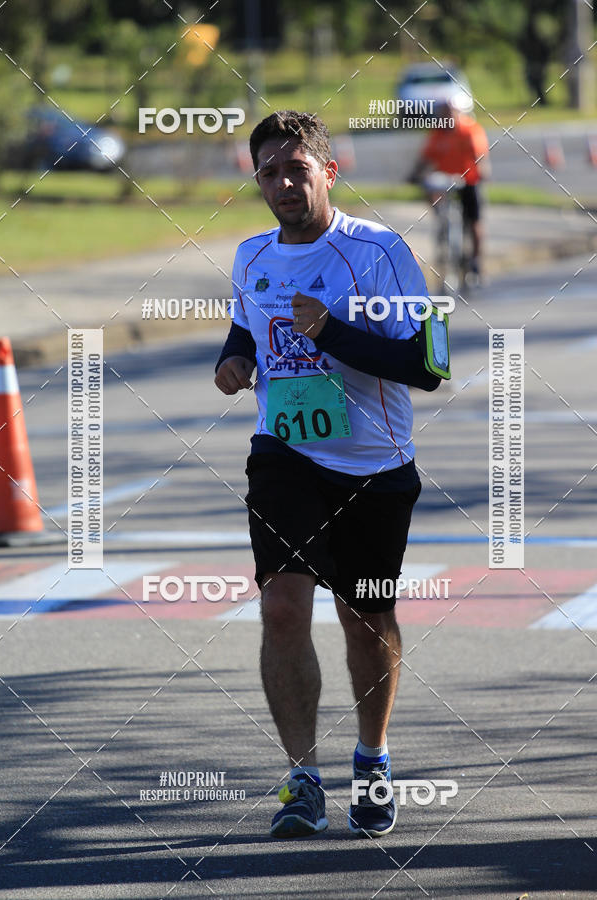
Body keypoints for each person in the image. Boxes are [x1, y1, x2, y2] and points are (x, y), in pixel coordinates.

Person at [214, 110, 442, 839]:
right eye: (270, 172)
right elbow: (248, 324)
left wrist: (332, 332)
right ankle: (302, 779)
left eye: (298, 169)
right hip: (284, 454)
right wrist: (233, 358)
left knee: (364, 617)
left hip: (373, 465)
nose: (284, 183)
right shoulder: (250, 255)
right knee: (282, 606)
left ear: (329, 172)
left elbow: (427, 365)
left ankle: (372, 760)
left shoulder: (379, 252)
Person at [410, 98, 491, 280]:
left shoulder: (469, 130)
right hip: (445, 183)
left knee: (474, 220)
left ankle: (476, 262)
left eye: (449, 113)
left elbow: (480, 156)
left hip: (468, 181)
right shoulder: (438, 133)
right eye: (442, 113)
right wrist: (414, 175)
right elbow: (426, 158)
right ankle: (441, 224)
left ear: (457, 112)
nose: (446, 117)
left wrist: (482, 171)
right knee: (430, 190)